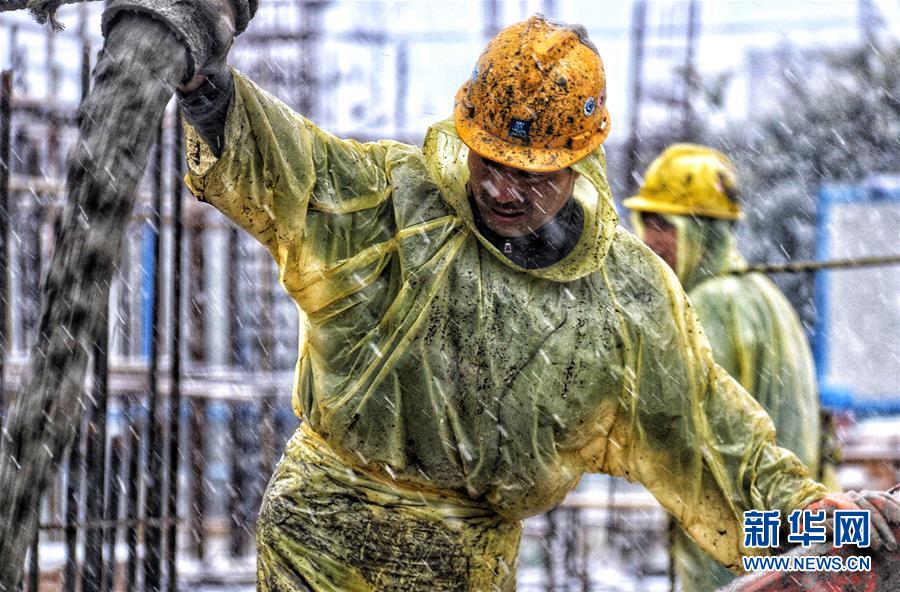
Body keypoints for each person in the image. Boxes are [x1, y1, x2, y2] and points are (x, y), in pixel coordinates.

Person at [172, 9, 894, 591]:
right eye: (490, 161)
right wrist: (208, 88)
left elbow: (719, 449)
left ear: (580, 161)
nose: (502, 190)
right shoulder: (394, 202)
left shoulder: (624, 302)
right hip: (318, 541)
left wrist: (834, 535)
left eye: (533, 173)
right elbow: (282, 163)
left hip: (466, 564)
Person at [623, 144, 834, 592]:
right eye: (647, 222)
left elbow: (684, 431)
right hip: (794, 538)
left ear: (703, 235)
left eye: (665, 225)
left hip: (739, 549)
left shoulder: (708, 306)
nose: (649, 240)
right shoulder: (764, 295)